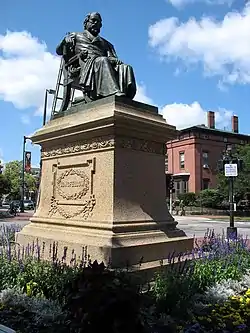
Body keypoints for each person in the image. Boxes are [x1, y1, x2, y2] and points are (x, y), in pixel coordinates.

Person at [56, 12, 137, 101]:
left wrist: (115, 60)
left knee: (126, 67)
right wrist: (64, 42)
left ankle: (127, 95)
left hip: (102, 64)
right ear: (86, 22)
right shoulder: (76, 35)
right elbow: (59, 51)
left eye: (98, 22)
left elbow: (113, 57)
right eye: (93, 20)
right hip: (83, 65)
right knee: (102, 61)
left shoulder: (105, 43)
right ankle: (113, 91)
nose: (96, 23)